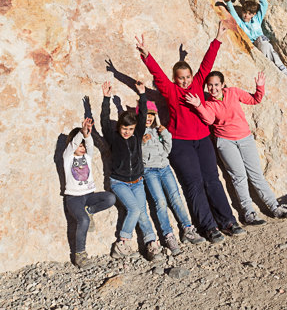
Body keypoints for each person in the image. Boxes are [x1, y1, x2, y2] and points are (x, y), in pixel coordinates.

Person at [135, 22, 245, 243]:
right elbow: (158, 75)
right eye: (180, 78)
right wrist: (147, 55)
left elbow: (207, 63)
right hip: (181, 143)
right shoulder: (171, 91)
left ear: (192, 77)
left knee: (212, 180)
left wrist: (218, 38)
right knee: (194, 184)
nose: (184, 81)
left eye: (187, 77)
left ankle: (228, 221)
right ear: (175, 79)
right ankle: (208, 226)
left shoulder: (197, 85)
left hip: (203, 139)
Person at [184, 71, 287, 225]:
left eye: (216, 84)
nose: (213, 88)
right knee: (239, 177)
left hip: (245, 139)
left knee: (256, 174)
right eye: (210, 85)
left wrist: (260, 86)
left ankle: (274, 207)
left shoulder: (233, 92)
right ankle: (249, 213)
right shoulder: (209, 103)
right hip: (226, 142)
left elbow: (255, 99)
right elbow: (209, 120)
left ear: (222, 85)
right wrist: (199, 105)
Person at [100, 81, 163, 262]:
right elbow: (104, 120)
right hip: (119, 182)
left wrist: (142, 95)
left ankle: (151, 243)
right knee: (134, 209)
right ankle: (121, 244)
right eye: (124, 128)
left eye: (130, 129)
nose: (127, 132)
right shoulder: (113, 137)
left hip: (137, 181)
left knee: (143, 212)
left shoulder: (136, 134)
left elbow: (143, 115)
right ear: (119, 127)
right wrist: (105, 99)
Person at [140, 100, 205, 255]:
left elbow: (167, 148)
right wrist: (141, 143)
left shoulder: (158, 130)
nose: (148, 118)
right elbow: (137, 154)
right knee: (160, 202)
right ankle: (168, 235)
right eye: (145, 115)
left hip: (164, 168)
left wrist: (165, 133)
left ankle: (187, 229)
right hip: (149, 171)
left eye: (151, 115)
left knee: (175, 197)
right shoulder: (138, 133)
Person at [226, 0, 287, 101]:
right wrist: (229, 3)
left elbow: (264, 5)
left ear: (253, 15)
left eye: (249, 13)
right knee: (275, 66)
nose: (246, 15)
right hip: (256, 45)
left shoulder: (257, 20)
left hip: (264, 43)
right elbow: (233, 14)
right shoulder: (241, 24)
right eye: (245, 12)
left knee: (279, 65)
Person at [63, 118, 116, 269]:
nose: (82, 148)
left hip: (88, 196)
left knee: (110, 198)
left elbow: (90, 145)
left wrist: (87, 136)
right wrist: (81, 132)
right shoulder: (68, 158)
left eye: (83, 146)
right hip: (74, 198)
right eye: (79, 145)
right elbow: (74, 144)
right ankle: (80, 254)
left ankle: (90, 210)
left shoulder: (87, 156)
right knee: (84, 221)